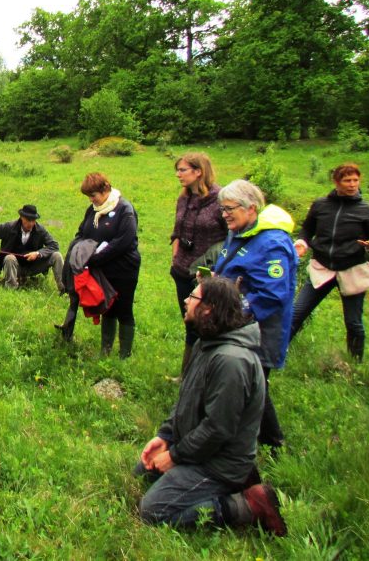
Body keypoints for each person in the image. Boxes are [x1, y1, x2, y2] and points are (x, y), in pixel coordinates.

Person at [135, 277, 286, 536]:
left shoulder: (231, 361)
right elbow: (187, 399)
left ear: (209, 308)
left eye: (192, 297)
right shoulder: (208, 342)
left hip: (220, 462)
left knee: (152, 511)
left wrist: (175, 456)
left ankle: (246, 504)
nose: (185, 300)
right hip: (199, 449)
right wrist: (165, 436)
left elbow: (218, 429)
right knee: (143, 471)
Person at [214, 180, 297, 451]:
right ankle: (247, 435)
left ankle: (273, 442)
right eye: (222, 208)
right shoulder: (241, 231)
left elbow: (274, 294)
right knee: (245, 382)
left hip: (259, 329)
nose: (224, 214)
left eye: (229, 209)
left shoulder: (272, 243)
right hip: (235, 321)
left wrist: (238, 313)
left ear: (251, 208)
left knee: (253, 383)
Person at [290, 163, 369, 361]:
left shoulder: (367, 210)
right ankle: (278, 351)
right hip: (322, 267)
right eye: (347, 180)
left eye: (355, 180)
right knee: (297, 313)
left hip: (351, 269)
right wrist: (302, 241)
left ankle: (355, 362)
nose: (352, 185)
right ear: (336, 182)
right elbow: (307, 229)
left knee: (353, 322)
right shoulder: (320, 205)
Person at [58, 172, 141, 358]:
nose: (91, 200)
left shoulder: (124, 210)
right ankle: (106, 350)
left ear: (105, 189)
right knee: (108, 307)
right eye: (88, 196)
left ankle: (124, 355)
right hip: (101, 269)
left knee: (124, 309)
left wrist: (96, 258)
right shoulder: (92, 210)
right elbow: (81, 232)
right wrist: (78, 251)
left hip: (124, 268)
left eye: (93, 195)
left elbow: (124, 242)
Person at [170, 153, 228, 376]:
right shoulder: (184, 198)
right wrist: (175, 259)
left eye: (182, 170)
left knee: (207, 323)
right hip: (182, 270)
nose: (178, 174)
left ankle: (206, 374)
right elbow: (177, 231)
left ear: (199, 171)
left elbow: (231, 237)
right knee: (190, 321)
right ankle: (188, 375)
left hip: (208, 273)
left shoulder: (221, 199)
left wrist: (217, 270)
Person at [0, 204, 65, 291]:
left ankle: (64, 290)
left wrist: (37, 254)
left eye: (33, 220)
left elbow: (54, 245)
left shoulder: (40, 230)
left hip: (34, 266)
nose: (31, 223)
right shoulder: (9, 227)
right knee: (9, 258)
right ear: (21, 217)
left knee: (57, 255)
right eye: (28, 220)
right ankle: (11, 288)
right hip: (14, 266)